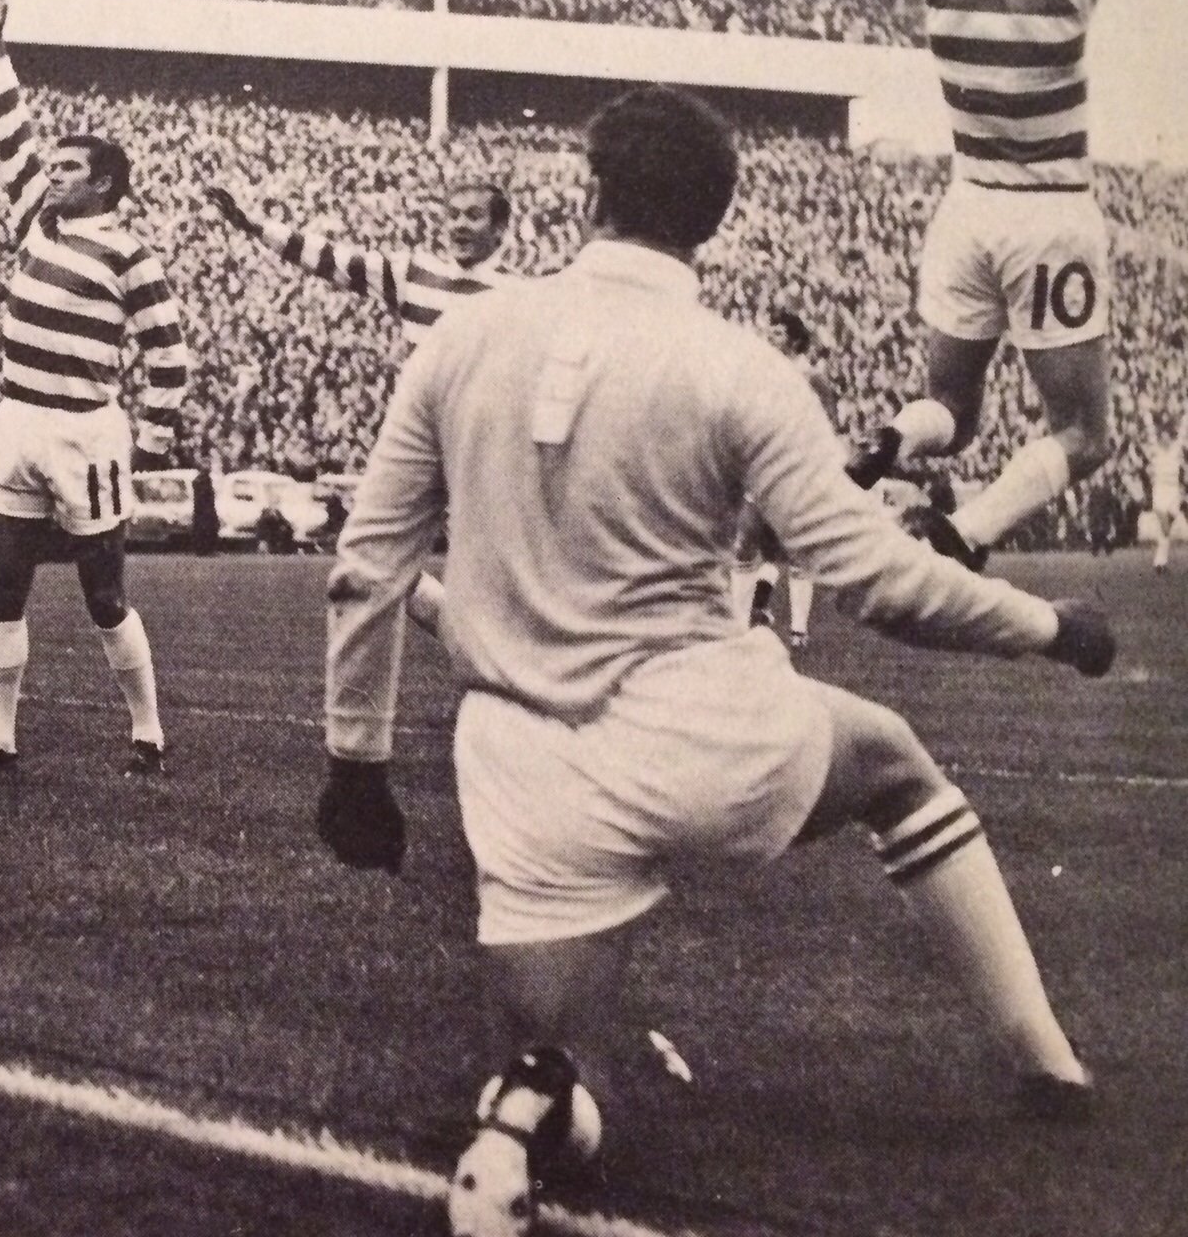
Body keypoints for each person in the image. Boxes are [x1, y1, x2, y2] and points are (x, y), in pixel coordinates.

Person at [313, 86, 1114, 1232]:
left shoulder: (462, 336)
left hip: (524, 776)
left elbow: (366, 568)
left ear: (588, 194)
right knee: (893, 765)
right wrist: (1050, 628)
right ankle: (1046, 1063)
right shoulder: (738, 367)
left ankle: (526, 1117)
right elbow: (880, 581)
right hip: (707, 734)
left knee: (557, 1066)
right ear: (715, 225)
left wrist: (355, 762)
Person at [848, 0, 1156, 573]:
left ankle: (890, 441)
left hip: (965, 211)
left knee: (952, 410)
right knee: (1083, 432)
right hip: (1049, 215)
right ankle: (967, 532)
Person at [0, 0, 190, 778]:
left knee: (102, 593)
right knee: (1, 582)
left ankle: (146, 730)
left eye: (70, 166)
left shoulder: (131, 253)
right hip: (16, 421)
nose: (52, 173)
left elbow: (168, 351)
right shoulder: (32, 222)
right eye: (53, 165)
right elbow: (7, 131)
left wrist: (151, 437)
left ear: (106, 182)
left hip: (86, 428)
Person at [205, 173, 515, 635]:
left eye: (473, 216)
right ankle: (462, 642)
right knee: (367, 552)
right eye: (453, 215)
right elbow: (330, 259)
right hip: (422, 446)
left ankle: (491, 654)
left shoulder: (522, 295)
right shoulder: (413, 274)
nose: (460, 225)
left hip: (486, 449)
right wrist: (255, 227)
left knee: (493, 575)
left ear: (500, 229)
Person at [730, 307, 838, 647]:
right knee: (745, 544)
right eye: (770, 331)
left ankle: (799, 631)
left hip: (795, 468)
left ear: (793, 338)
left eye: (777, 332)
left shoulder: (811, 375)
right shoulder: (762, 372)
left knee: (795, 552)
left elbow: (828, 421)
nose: (770, 337)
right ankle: (738, 630)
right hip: (762, 465)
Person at [1151, 418, 1184, 573]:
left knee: (1165, 532)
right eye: (1162, 437)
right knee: (1164, 529)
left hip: (1174, 493)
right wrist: (1145, 414)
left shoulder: (1176, 449)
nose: (1165, 440)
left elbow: (1184, 431)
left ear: (1170, 438)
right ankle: (1159, 562)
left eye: (1167, 437)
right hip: (1160, 492)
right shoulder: (1156, 450)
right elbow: (1150, 430)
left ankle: (1160, 563)